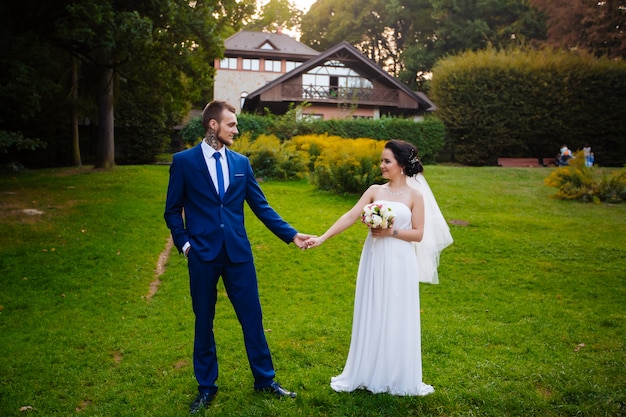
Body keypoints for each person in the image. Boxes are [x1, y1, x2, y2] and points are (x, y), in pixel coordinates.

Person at [164, 100, 311, 413]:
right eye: (231, 124)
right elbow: (172, 210)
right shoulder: (184, 162)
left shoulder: (242, 163)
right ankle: (206, 387)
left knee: (252, 318)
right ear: (213, 125)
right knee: (204, 321)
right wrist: (186, 245)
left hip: (239, 255)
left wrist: (291, 234)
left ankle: (265, 380)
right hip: (202, 255)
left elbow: (261, 206)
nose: (237, 129)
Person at [306, 140, 453, 396]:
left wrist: (390, 231)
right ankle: (367, 369)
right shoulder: (374, 190)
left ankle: (396, 374)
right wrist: (322, 237)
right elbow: (351, 215)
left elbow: (418, 234)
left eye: (387, 161)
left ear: (401, 165)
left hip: (400, 261)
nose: (382, 165)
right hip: (374, 258)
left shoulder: (415, 196)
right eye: (382, 161)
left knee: (397, 311)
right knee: (372, 308)